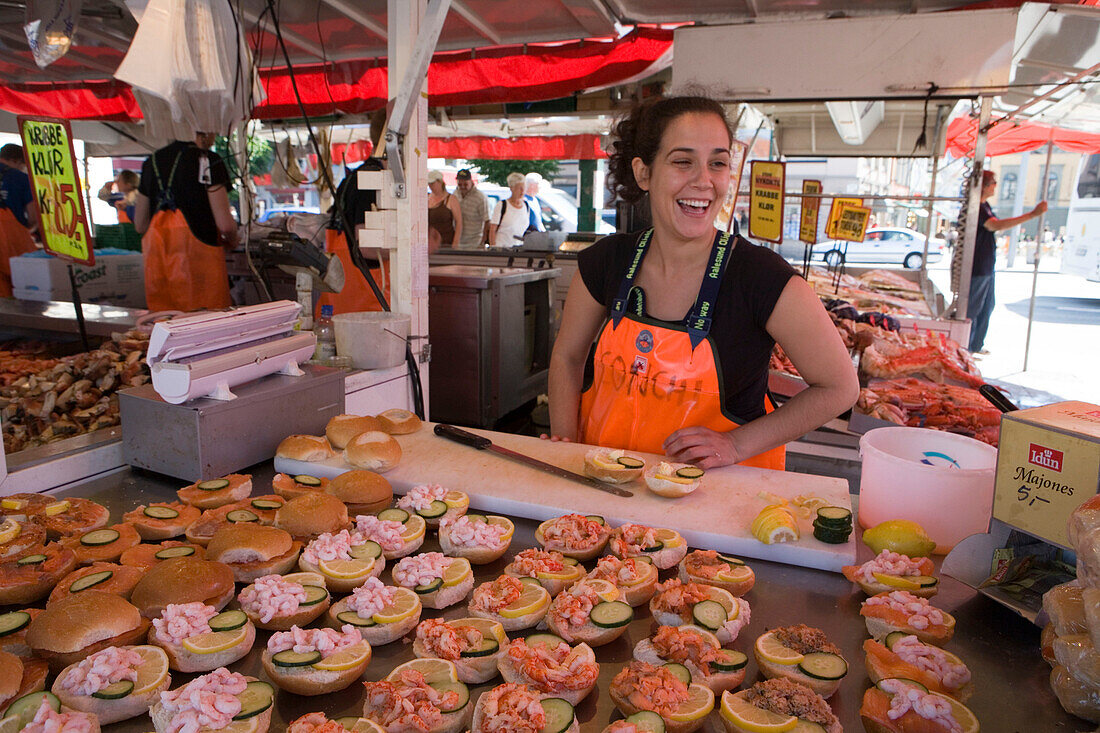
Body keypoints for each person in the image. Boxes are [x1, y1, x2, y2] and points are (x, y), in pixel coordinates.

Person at [546, 95, 859, 470]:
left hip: (719, 505)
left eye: (717, 163)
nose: (703, 180)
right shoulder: (606, 261)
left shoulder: (762, 277)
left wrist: (737, 444)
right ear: (644, 173)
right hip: (606, 487)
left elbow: (840, 388)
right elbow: (567, 357)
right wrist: (562, 449)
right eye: (683, 162)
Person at [133, 132, 239, 312]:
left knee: (167, 327)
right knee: (207, 329)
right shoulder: (208, 160)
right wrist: (233, 239)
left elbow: (140, 225)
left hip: (160, 265)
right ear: (204, 131)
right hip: (200, 269)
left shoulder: (151, 162)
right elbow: (226, 225)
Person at [319, 108, 392, 318]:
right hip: (366, 305)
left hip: (340, 305)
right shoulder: (374, 180)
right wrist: (410, 252)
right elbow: (367, 248)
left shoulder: (351, 178)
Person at [967, 170, 1047, 355]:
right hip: (977, 266)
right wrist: (1032, 215)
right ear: (984, 185)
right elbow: (995, 225)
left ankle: (976, 344)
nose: (996, 186)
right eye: (993, 182)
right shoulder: (976, 207)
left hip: (986, 265)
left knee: (987, 305)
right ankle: (967, 347)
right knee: (973, 308)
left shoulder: (984, 205)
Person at [0, 144, 39, 298]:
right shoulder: (21, 178)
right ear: (16, 161)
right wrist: (29, 229)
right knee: (21, 286)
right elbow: (33, 216)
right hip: (12, 242)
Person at [488, 172, 533, 248]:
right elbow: (492, 230)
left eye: (524, 188)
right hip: (502, 249)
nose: (522, 191)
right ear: (512, 188)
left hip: (519, 249)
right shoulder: (502, 205)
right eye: (519, 188)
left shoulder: (526, 206)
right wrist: (493, 249)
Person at [427, 170, 462, 250]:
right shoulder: (426, 198)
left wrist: (455, 242)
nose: (430, 186)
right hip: (429, 244)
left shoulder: (451, 199)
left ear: (440, 182)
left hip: (446, 242)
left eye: (432, 183)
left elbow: (459, 222)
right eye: (429, 184)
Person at [455, 168, 489, 249]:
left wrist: (482, 242)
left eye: (466, 184)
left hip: (475, 241)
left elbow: (487, 221)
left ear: (471, 181)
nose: (462, 187)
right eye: (460, 184)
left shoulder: (480, 197)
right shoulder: (455, 193)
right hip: (459, 241)